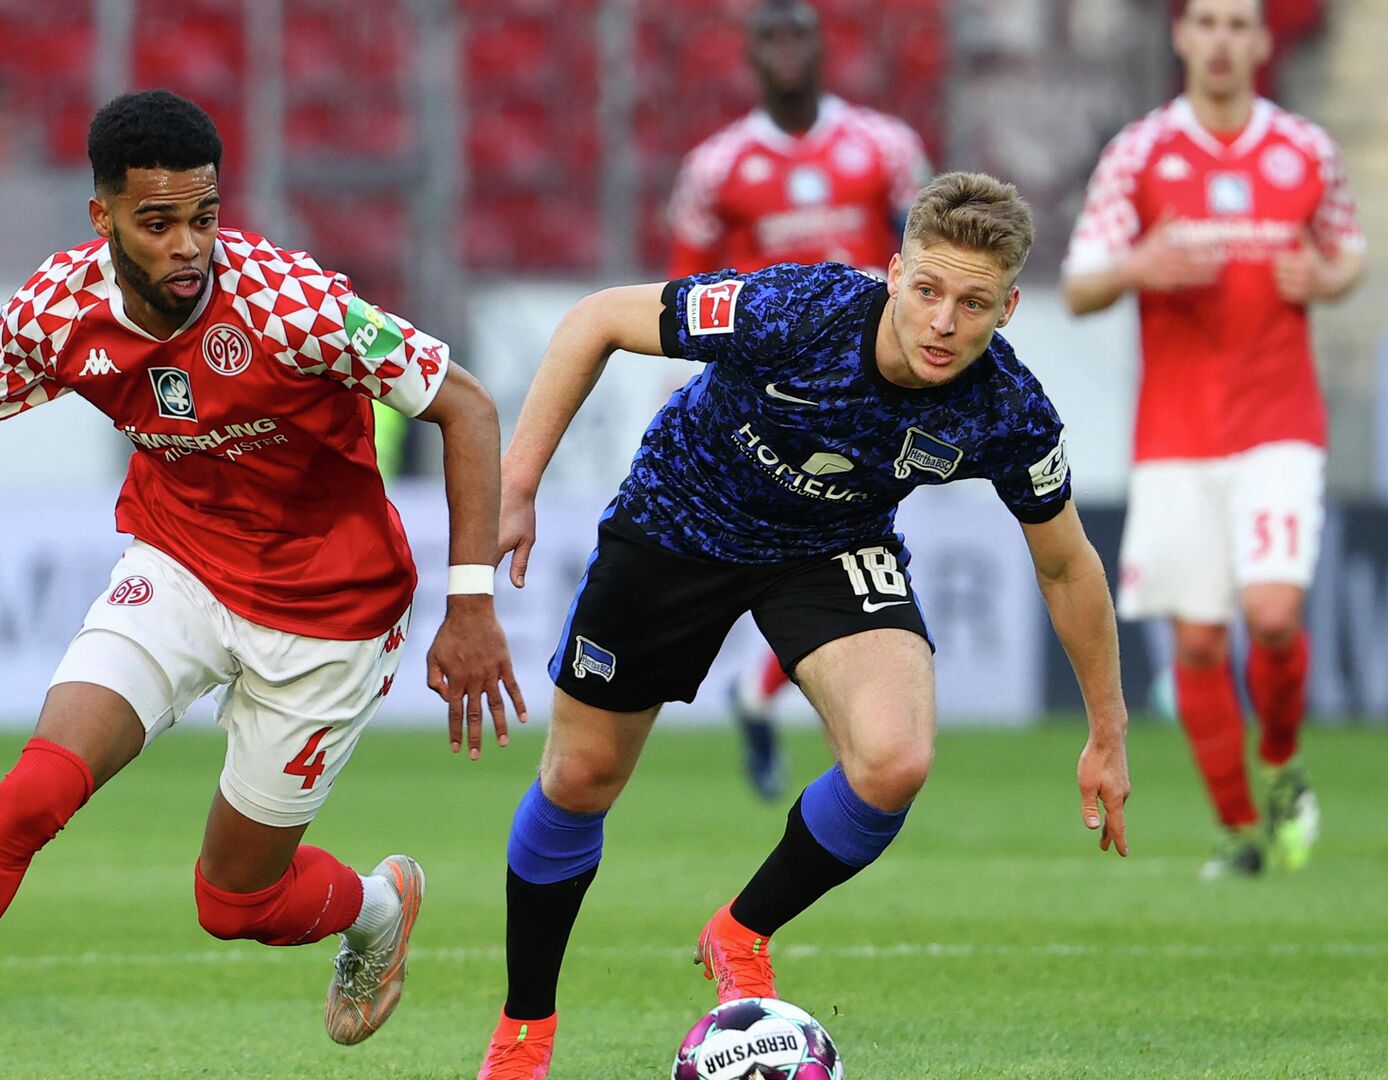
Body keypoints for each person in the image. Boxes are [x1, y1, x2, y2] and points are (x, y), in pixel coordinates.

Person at [0, 90, 525, 1079]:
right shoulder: (59, 310)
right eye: (158, 222)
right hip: (177, 569)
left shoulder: (289, 304)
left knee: (235, 904)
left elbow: (466, 405)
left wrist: (469, 603)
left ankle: (381, 906)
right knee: (31, 794)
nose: (189, 246)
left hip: (330, 615)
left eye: (204, 217)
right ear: (104, 220)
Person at [474, 172, 1131, 1078]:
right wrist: (516, 482)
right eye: (928, 291)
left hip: (831, 545)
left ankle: (739, 933)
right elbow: (597, 319)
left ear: (1009, 308)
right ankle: (524, 1032)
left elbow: (1067, 562)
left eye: (973, 303)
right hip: (680, 519)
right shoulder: (795, 310)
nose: (943, 322)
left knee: (895, 759)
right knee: (581, 777)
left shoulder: (1006, 408)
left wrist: (1107, 727)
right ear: (893, 272)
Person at [1061, 0, 1365, 880]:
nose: (1224, 40)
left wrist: (1328, 276)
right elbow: (1080, 283)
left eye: (1240, 24)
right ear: (1182, 37)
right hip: (1177, 434)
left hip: (1279, 422)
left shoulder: (1305, 150)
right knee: (1197, 643)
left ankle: (1281, 765)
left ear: (1263, 42)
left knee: (1271, 615)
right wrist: (1138, 268)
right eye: (1209, 23)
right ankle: (1239, 831)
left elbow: (1349, 252)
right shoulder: (1142, 153)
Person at [665, 0, 934, 802]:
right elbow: (684, 286)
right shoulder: (718, 166)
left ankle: (775, 697)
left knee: (847, 546)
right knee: (788, 548)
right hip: (763, 398)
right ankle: (781, 699)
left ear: (822, 48)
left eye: (799, 36)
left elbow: (926, 252)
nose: (786, 51)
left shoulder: (883, 148)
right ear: (752, 55)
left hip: (871, 394)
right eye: (771, 38)